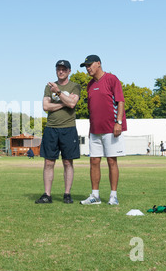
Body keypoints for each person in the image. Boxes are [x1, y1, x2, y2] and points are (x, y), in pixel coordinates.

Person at [79, 55, 126, 205]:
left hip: (111, 129)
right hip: (94, 130)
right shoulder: (90, 85)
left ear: (98, 64)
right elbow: (92, 109)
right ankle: (95, 196)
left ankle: (113, 196)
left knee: (112, 161)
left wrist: (118, 122)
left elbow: (120, 102)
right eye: (86, 66)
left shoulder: (112, 79)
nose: (88, 68)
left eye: (89, 65)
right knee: (94, 161)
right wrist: (90, 128)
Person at [35, 60, 81, 204]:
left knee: (68, 162)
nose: (61, 71)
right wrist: (64, 102)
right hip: (51, 128)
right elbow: (45, 106)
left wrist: (59, 93)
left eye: (64, 69)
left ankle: (67, 194)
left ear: (69, 71)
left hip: (68, 128)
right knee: (49, 162)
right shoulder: (49, 87)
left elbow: (73, 103)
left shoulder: (75, 86)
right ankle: (47, 195)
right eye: (58, 69)